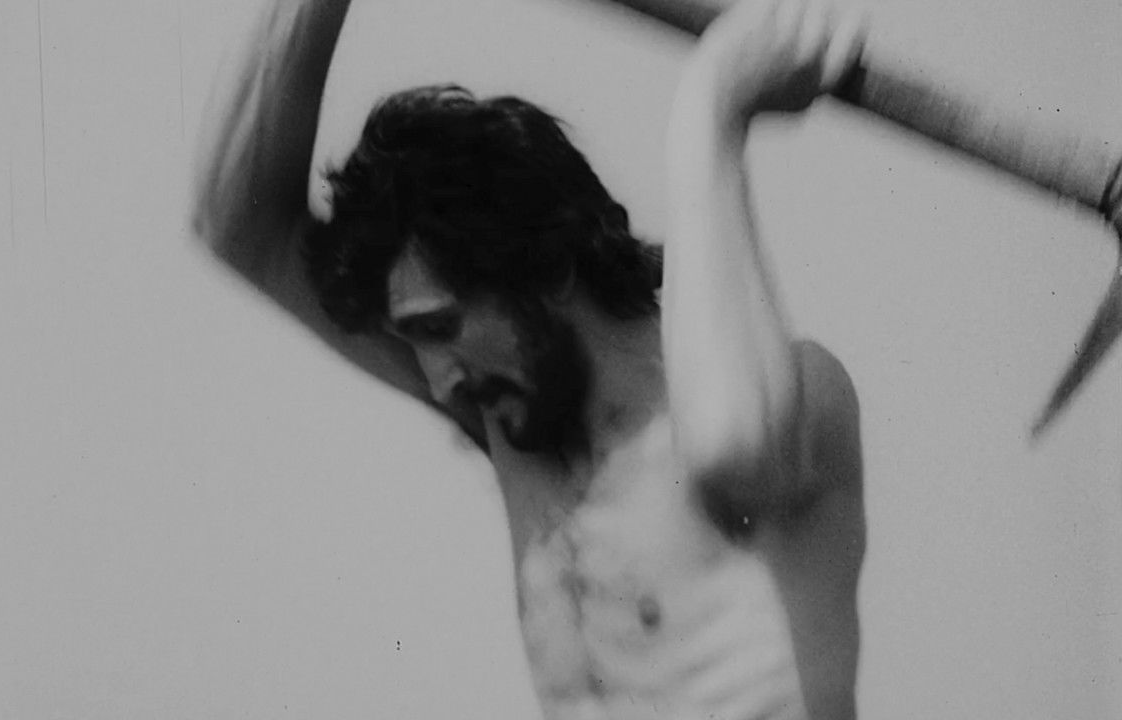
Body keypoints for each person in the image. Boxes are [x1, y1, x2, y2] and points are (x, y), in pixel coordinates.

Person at [192, 0, 867, 717]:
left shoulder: (793, 390)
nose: (438, 381)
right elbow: (239, 226)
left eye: (439, 326)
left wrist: (714, 103)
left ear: (546, 269)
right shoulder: (515, 420)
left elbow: (736, 446)